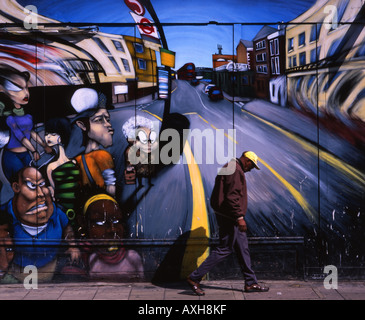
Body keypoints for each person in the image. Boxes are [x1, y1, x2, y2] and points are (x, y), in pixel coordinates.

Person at [187, 151, 269, 295]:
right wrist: (239, 217)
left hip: (228, 216)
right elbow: (232, 197)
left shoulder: (231, 167)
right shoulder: (235, 170)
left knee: (243, 249)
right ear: (247, 160)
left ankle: (251, 283)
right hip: (230, 218)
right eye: (252, 165)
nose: (251, 169)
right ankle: (194, 278)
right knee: (224, 249)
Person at [0, 166, 80, 282]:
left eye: (42, 184)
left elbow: (66, 226)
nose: (40, 193)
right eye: (32, 185)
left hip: (52, 269)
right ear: (16, 187)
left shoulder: (55, 212)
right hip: (17, 273)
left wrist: (72, 245)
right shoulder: (5, 216)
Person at [0, 65, 52, 183]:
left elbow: (31, 132)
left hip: (26, 154)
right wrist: (34, 150)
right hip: (12, 157)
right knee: (23, 184)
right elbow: (20, 136)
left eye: (26, 87)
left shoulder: (27, 115)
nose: (25, 93)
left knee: (34, 181)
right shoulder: (9, 117)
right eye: (17, 88)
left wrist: (44, 145)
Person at [71, 88, 116, 197]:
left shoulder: (102, 156)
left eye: (107, 119)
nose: (108, 125)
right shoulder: (79, 160)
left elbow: (111, 186)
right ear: (82, 125)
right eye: (99, 120)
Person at [44, 117, 80, 223]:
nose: (48, 137)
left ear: (61, 135)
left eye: (53, 134)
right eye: (46, 134)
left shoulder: (74, 162)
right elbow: (55, 190)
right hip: (61, 207)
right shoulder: (50, 166)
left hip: (77, 204)